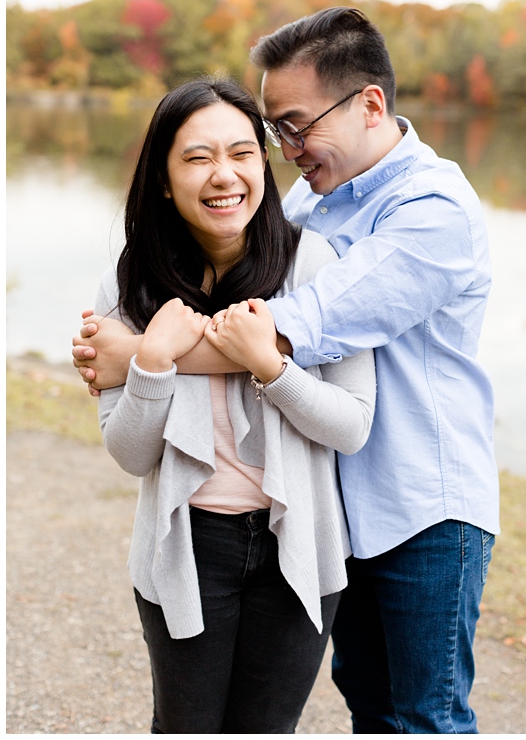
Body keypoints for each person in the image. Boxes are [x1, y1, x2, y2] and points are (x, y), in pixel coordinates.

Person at [74, 7, 499, 733]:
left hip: (419, 503)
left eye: (295, 125)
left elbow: (285, 332)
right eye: (276, 130)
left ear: (370, 104)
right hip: (332, 505)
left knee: (422, 717)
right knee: (372, 706)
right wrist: (145, 354)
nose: (285, 148)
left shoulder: (433, 212)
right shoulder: (311, 196)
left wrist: (142, 355)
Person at [95, 77, 374, 733]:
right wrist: (152, 361)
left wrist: (272, 367)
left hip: (298, 542)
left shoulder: (315, 264)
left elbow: (353, 423)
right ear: (163, 178)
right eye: (197, 157)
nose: (225, 175)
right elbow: (130, 452)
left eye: (242, 153)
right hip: (186, 542)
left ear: (264, 162)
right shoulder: (130, 279)